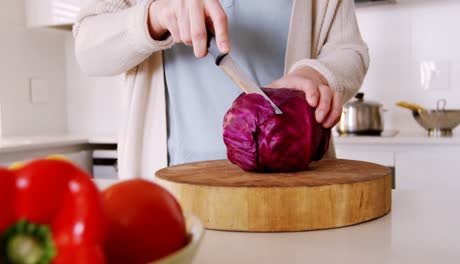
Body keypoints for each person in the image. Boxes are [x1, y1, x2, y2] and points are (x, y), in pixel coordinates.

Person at [74, 0, 369, 180]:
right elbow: (88, 50)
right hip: (167, 193)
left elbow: (349, 50)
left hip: (295, 190)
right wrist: (154, 17)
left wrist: (317, 74)